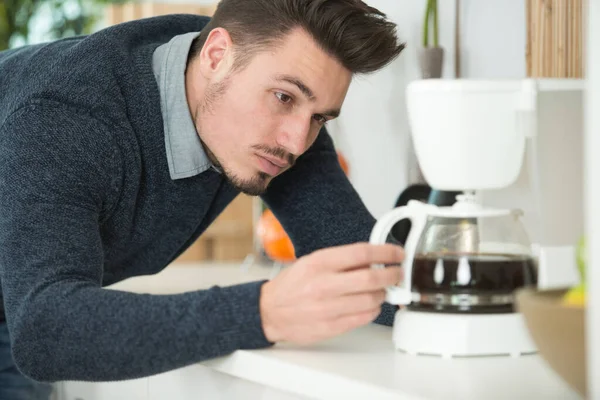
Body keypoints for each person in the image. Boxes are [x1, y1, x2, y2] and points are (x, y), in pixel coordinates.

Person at [0, 0, 405, 398]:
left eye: (320, 117)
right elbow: (46, 331)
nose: (297, 142)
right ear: (216, 56)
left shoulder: (272, 116)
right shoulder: (65, 119)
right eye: (283, 98)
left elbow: (362, 260)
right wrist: (264, 312)